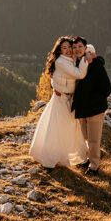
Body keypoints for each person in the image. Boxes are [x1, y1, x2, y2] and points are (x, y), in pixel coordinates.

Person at [29, 36, 88, 168]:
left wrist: (88, 51)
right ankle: (53, 157)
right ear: (60, 50)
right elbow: (79, 74)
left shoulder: (70, 60)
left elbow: (57, 77)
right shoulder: (62, 62)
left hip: (67, 98)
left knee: (65, 127)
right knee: (59, 128)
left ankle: (65, 156)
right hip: (61, 99)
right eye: (64, 48)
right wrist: (85, 59)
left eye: (69, 47)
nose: (68, 50)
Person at [71, 38, 111, 175]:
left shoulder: (95, 65)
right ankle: (88, 159)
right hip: (82, 109)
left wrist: (92, 100)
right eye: (74, 47)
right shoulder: (77, 63)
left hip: (94, 109)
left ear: (85, 48)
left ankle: (94, 167)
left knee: (94, 140)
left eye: (79, 46)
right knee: (86, 138)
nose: (77, 49)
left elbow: (106, 89)